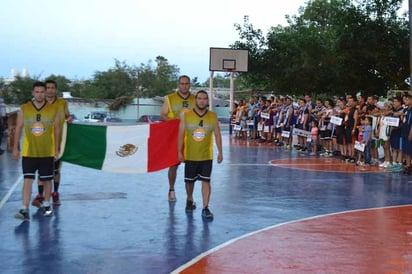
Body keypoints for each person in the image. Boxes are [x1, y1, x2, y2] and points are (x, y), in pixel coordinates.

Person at [13, 81, 61, 220]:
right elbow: (18, 128)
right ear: (33, 93)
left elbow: (57, 130)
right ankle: (24, 209)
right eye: (37, 92)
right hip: (29, 152)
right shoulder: (24, 108)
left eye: (42, 92)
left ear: (45, 93)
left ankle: (46, 204)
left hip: (47, 151)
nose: (40, 94)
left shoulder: (54, 109)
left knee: (47, 180)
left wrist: (56, 148)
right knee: (27, 180)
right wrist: (15, 147)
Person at [177, 90, 223, 220]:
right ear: (195, 100)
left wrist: (220, 151)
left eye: (204, 99)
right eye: (199, 98)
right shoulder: (187, 116)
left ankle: (205, 207)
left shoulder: (213, 116)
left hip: (206, 155)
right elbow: (180, 135)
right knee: (189, 182)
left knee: (206, 181)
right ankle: (189, 199)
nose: (202, 101)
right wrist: (179, 151)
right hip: (190, 155)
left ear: (207, 101)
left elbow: (218, 135)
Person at [31, 80, 72, 207]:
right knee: (41, 171)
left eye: (52, 88)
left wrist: (69, 119)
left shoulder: (62, 103)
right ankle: (40, 195)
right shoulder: (36, 103)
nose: (50, 90)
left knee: (55, 170)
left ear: (56, 90)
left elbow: (68, 117)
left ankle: (55, 193)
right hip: (41, 142)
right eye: (47, 88)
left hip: (57, 142)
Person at [160, 75, 195, 202]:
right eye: (182, 83)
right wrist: (176, 122)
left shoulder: (196, 99)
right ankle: (171, 189)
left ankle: (190, 197)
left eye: (186, 83)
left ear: (189, 85)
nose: (184, 86)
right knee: (174, 164)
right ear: (178, 85)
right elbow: (163, 115)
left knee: (191, 166)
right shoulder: (170, 98)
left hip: (191, 138)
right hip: (175, 136)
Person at [0, 90, 7, 155]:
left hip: (2, 118)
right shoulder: (1, 102)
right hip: (1, 118)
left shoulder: (2, 101)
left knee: (1, 133)